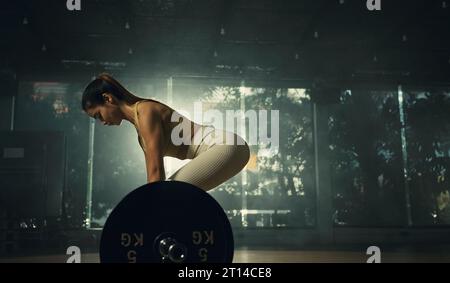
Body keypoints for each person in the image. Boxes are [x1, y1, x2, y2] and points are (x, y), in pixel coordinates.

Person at [81, 73, 250, 191]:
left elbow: (156, 172)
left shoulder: (145, 111)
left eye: (98, 115)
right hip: (226, 148)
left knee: (169, 193)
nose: (102, 122)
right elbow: (154, 178)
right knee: (169, 195)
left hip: (225, 145)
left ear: (108, 99)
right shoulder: (139, 125)